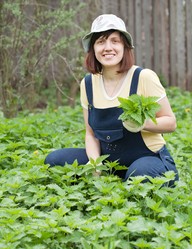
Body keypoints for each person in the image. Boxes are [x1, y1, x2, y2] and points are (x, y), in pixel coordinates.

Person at [45, 14, 179, 186]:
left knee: (139, 174)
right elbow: (91, 134)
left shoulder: (143, 77)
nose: (108, 47)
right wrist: (95, 165)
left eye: (115, 41)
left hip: (149, 159)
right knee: (54, 160)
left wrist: (143, 123)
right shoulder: (88, 83)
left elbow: (171, 123)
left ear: (124, 46)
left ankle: (131, 180)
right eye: (101, 42)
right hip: (110, 163)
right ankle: (113, 179)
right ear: (93, 48)